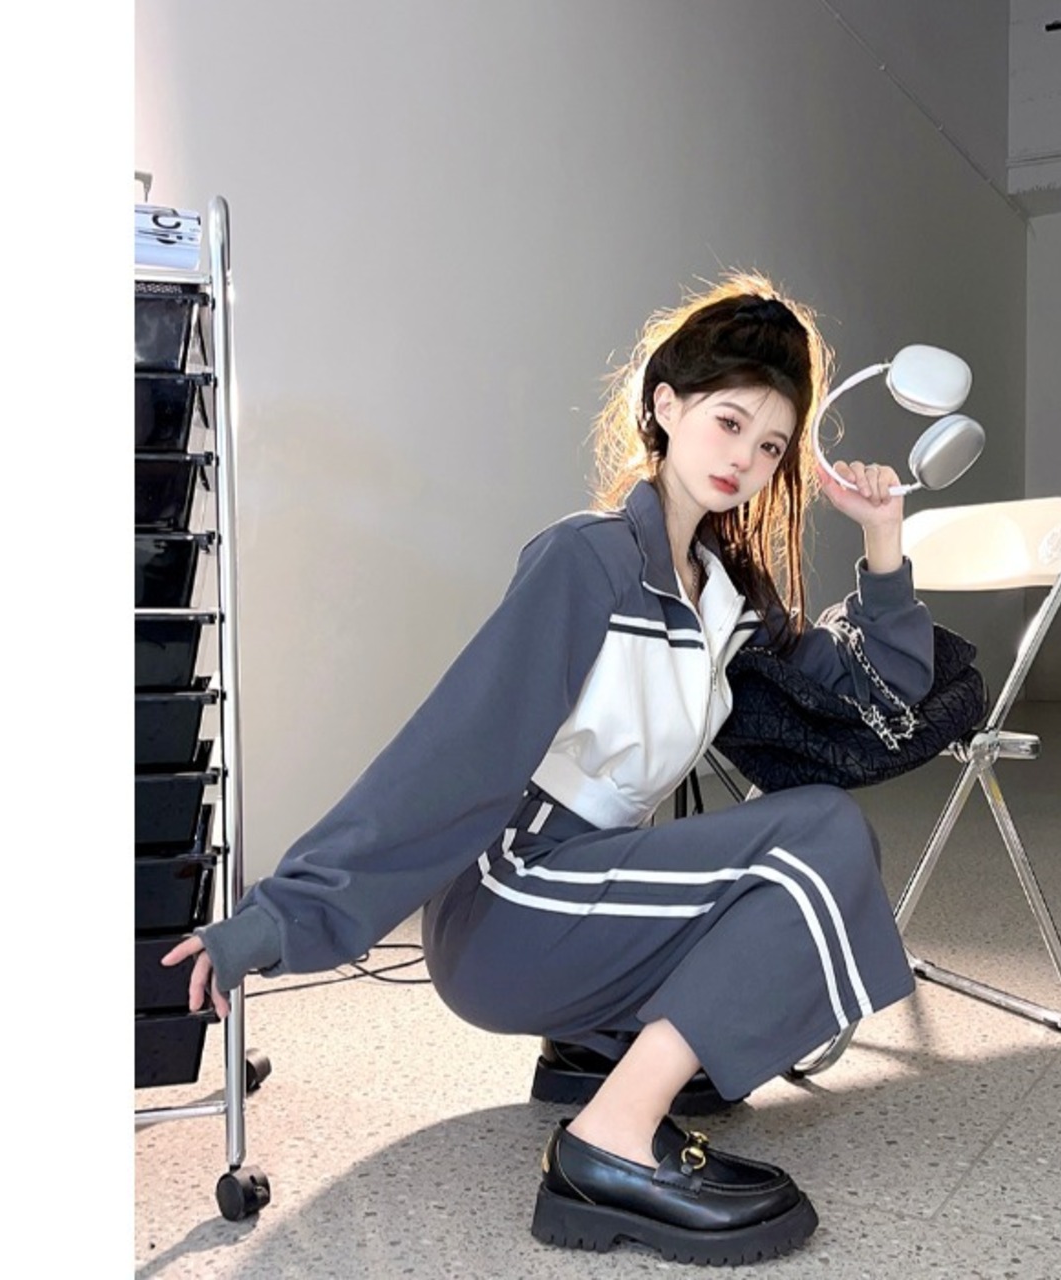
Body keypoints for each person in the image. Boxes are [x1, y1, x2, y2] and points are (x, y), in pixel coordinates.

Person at [163, 271, 935, 1265]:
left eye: (770, 445)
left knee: (809, 837)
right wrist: (286, 915)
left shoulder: (723, 594)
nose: (744, 458)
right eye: (728, 421)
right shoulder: (589, 561)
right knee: (816, 835)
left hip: (590, 883)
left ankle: (596, 1049)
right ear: (665, 406)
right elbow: (457, 754)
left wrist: (882, 539)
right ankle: (610, 1142)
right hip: (512, 902)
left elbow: (878, 702)